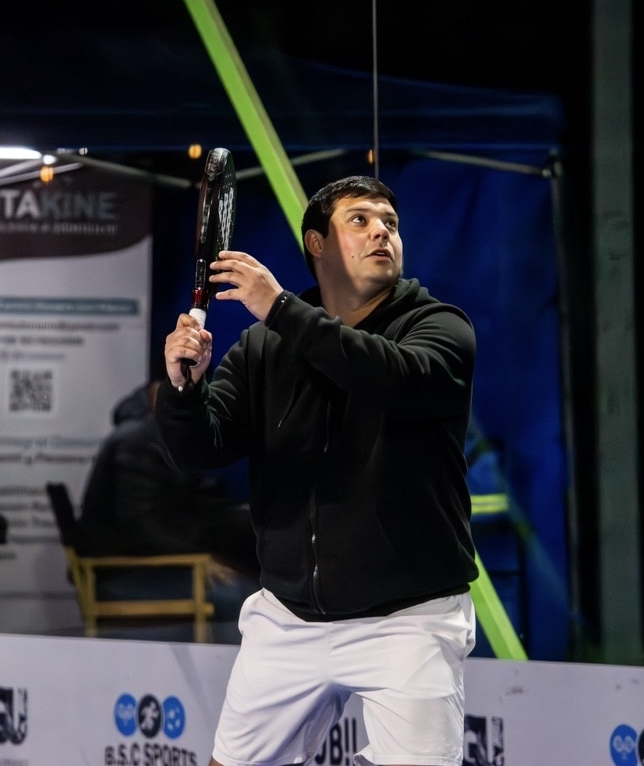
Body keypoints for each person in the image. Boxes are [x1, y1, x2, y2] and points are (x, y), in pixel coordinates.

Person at [157, 175, 479, 765]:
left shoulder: (441, 328)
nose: (381, 231)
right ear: (317, 243)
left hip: (408, 619)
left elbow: (391, 380)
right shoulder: (264, 347)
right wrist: (184, 390)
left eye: (390, 223)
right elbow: (200, 450)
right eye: (360, 220)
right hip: (288, 616)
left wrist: (281, 308)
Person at [78, 377, 259, 635]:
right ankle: (225, 663)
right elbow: (140, 524)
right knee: (241, 599)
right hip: (127, 573)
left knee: (247, 588)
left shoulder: (156, 435)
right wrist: (200, 558)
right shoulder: (140, 439)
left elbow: (182, 503)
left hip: (146, 564)